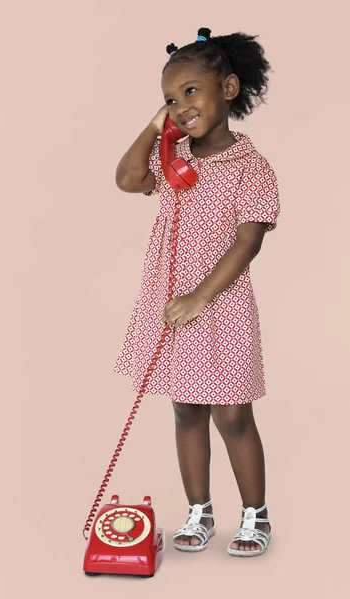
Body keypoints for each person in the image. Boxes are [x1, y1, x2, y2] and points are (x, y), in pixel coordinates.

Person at [113, 27, 280, 557]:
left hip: (219, 306)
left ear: (228, 89)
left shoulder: (250, 166)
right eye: (169, 96)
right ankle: (199, 510)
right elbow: (126, 177)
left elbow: (247, 242)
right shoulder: (172, 159)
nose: (180, 105)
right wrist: (154, 126)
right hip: (173, 307)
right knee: (186, 410)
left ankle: (255, 515)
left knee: (232, 414)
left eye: (190, 91)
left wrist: (200, 298)